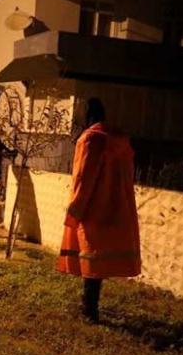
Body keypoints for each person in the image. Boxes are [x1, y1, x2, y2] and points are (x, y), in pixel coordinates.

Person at [58, 98, 141, 324]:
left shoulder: (90, 139)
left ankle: (89, 309)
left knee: (91, 257)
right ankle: (90, 305)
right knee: (100, 258)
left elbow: (84, 177)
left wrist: (75, 209)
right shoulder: (121, 141)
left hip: (94, 208)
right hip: (118, 207)